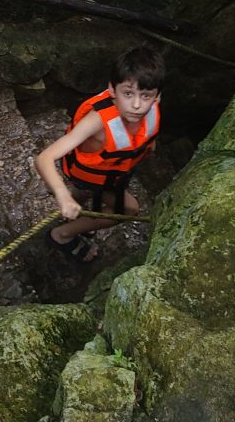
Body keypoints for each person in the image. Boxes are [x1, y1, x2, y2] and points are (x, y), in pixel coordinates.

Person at [34, 46, 164, 263]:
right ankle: (61, 235)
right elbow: (44, 158)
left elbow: (145, 138)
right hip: (89, 176)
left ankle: (81, 216)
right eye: (128, 93)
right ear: (112, 90)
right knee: (129, 209)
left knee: (88, 195)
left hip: (113, 173)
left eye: (146, 96)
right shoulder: (96, 122)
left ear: (157, 97)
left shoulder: (150, 109)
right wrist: (62, 195)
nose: (136, 105)